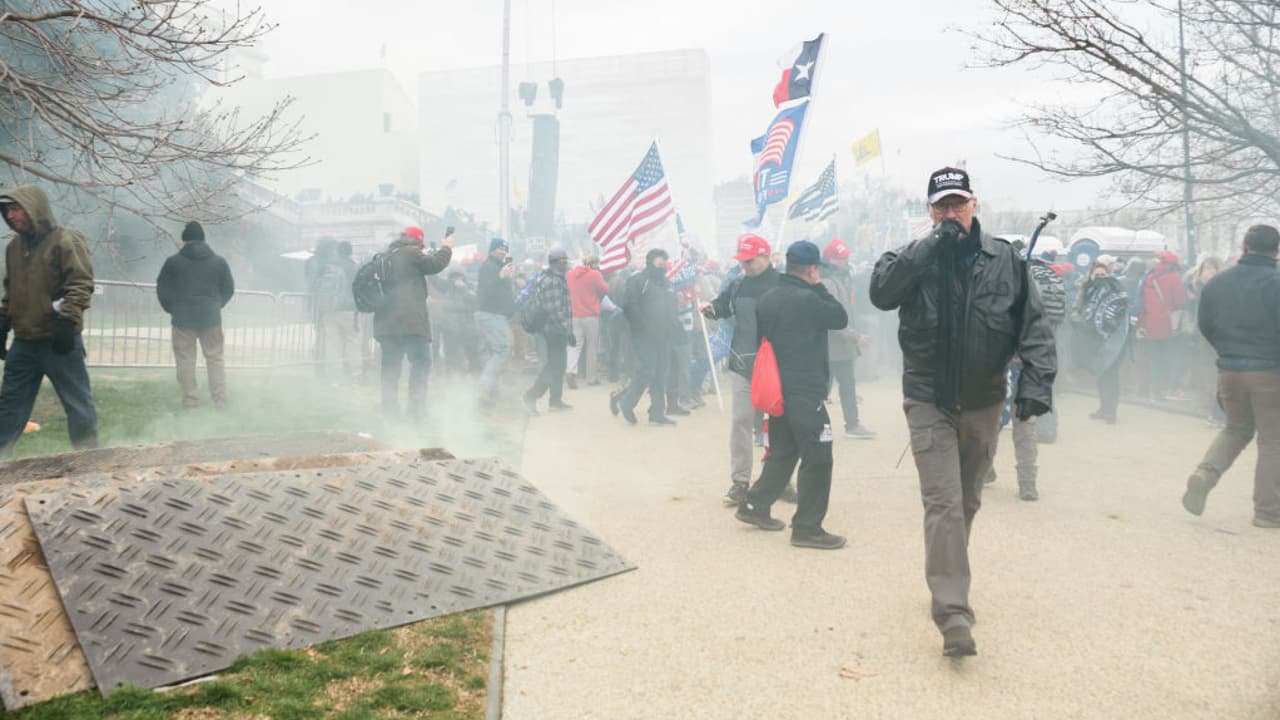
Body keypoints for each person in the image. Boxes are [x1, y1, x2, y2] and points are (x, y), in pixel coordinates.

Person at [869, 167, 1056, 657]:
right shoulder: (912, 257)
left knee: (967, 501)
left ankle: (948, 572)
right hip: (928, 398)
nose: (950, 212)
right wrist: (929, 246)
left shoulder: (1006, 260)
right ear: (930, 211)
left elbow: (1033, 324)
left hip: (984, 398)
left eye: (957, 203)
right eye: (941, 205)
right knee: (944, 503)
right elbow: (881, 294)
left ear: (975, 204)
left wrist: (1037, 383)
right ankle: (953, 611)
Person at [733, 240, 849, 550]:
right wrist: (819, 287)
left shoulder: (768, 298)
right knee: (818, 456)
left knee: (784, 451)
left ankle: (755, 505)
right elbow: (839, 318)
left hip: (777, 387)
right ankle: (807, 527)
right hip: (805, 387)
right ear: (812, 269)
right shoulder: (810, 299)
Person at [1181, 225, 1280, 528]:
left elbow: (1205, 325)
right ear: (1276, 251)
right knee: (1273, 441)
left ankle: (1205, 474)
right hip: (1269, 370)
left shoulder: (1217, 283)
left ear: (1244, 246)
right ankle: (1268, 511)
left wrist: (1226, 352)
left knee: (1235, 429)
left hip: (1229, 368)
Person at [0, 185, 99, 455]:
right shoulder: (13, 248)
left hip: (59, 340)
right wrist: (2, 326)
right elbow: (11, 292)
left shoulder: (65, 240)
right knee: (9, 405)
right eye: (7, 210)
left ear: (34, 209)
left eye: (16, 209)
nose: (11, 216)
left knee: (77, 404)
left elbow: (80, 284)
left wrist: (68, 323)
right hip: (24, 342)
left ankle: (89, 459)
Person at [702, 233, 781, 504]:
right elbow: (723, 305)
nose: (745, 266)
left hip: (777, 365)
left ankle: (779, 479)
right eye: (742, 261)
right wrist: (712, 309)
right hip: (743, 362)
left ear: (766, 257)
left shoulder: (784, 284)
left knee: (779, 424)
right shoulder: (737, 284)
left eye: (750, 261)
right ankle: (740, 481)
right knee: (741, 422)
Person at [373, 226, 452, 421]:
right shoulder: (411, 252)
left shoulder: (386, 256)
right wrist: (447, 247)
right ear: (417, 240)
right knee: (421, 363)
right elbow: (436, 264)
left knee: (390, 369)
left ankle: (390, 412)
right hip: (411, 323)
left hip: (386, 323)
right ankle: (416, 412)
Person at [156, 221, 236, 408]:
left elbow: (162, 289)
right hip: (211, 318)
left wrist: (172, 308)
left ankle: (190, 399)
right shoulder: (219, 262)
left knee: (186, 359)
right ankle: (220, 398)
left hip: (183, 318)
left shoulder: (173, 262)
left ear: (184, 241)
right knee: (215, 358)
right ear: (203, 240)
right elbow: (229, 289)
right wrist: (217, 305)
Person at [611, 248, 679, 426]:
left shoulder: (667, 284)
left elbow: (672, 307)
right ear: (650, 262)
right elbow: (630, 306)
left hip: (664, 335)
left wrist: (674, 326)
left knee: (660, 373)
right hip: (643, 335)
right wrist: (643, 326)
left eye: (665, 261)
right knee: (647, 370)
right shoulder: (637, 281)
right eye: (659, 261)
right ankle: (627, 402)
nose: (663, 264)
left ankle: (657, 413)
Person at [821, 238, 876, 440]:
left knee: (842, 387)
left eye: (845, 258)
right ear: (830, 260)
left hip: (838, 346)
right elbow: (834, 318)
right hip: (832, 346)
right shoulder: (828, 282)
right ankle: (848, 425)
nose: (845, 262)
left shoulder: (840, 280)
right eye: (840, 259)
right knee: (826, 390)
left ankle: (850, 425)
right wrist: (855, 336)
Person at [1072, 258, 1130, 423]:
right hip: (1093, 339)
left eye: (1103, 275)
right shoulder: (1086, 290)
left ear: (1108, 275)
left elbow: (1120, 312)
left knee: (1111, 374)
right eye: (1096, 275)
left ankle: (1111, 411)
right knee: (1100, 374)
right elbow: (1077, 309)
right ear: (1090, 275)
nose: (1100, 277)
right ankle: (1103, 408)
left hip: (1113, 339)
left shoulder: (1116, 289)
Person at [523, 247, 574, 414]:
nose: (564, 263)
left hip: (556, 328)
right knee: (554, 366)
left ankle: (555, 400)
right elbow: (555, 309)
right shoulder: (552, 280)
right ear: (553, 262)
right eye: (561, 261)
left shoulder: (555, 278)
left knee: (558, 366)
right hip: (553, 329)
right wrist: (567, 329)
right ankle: (531, 396)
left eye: (565, 260)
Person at [1139, 250, 1187, 399]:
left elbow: (1143, 303)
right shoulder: (1174, 278)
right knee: (1173, 356)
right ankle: (1172, 388)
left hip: (1151, 324)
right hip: (1169, 324)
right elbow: (1180, 302)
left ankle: (1156, 389)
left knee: (1155, 358)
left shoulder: (1148, 278)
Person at [475, 238, 516, 405]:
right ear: (492, 250)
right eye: (500, 249)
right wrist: (500, 276)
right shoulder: (488, 267)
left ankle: (492, 390)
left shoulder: (498, 267)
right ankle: (484, 388)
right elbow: (485, 290)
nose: (503, 252)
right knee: (501, 349)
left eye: (505, 249)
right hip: (490, 314)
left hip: (495, 314)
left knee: (495, 351)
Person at [312, 240, 360, 381]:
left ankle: (334, 377)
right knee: (352, 342)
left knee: (332, 344)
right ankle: (355, 375)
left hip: (329, 309)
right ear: (350, 252)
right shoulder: (354, 267)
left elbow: (316, 284)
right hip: (349, 310)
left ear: (338, 251)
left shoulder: (326, 266)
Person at [565, 254, 609, 388]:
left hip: (575, 314)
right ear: (594, 264)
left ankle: (571, 371)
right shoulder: (594, 274)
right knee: (592, 347)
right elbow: (606, 289)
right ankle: (591, 378)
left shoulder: (570, 274)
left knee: (575, 345)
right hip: (590, 315)